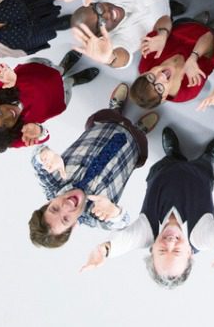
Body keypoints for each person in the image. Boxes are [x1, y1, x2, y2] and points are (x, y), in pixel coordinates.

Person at [80, 129, 214, 290]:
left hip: (163, 172)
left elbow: (125, 241)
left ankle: (174, 154)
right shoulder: (199, 236)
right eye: (177, 251)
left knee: (171, 160)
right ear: (189, 253)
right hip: (199, 176)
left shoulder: (146, 233)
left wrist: (105, 250)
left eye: (163, 250)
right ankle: (209, 157)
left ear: (152, 250)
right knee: (205, 165)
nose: (170, 243)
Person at [27, 83, 158, 249]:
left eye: (54, 209)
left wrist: (45, 155)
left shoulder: (53, 182)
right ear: (73, 226)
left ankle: (116, 109)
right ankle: (139, 129)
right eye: (66, 219)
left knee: (111, 115)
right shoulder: (95, 215)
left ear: (48, 203)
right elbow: (120, 224)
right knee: (136, 135)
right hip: (131, 148)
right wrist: (114, 213)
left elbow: (36, 161)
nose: (66, 206)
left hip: (103, 126)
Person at [0, 57, 98, 152]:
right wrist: (39, 131)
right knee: (67, 86)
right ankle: (72, 80)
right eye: (4, 125)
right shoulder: (12, 138)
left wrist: (6, 76)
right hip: (55, 99)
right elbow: (43, 137)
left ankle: (63, 67)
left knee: (56, 70)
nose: (8, 116)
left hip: (39, 71)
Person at [53, 0, 173, 70]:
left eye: (99, 9)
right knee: (170, 8)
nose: (107, 14)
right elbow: (121, 58)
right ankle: (171, 0)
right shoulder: (117, 40)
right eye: (102, 23)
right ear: (101, 35)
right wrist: (110, 59)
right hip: (164, 14)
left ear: (92, 3)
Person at [130, 17, 214, 108]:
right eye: (159, 88)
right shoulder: (187, 91)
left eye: (150, 77)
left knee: (193, 22)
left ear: (144, 73)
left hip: (183, 28)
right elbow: (210, 36)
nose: (160, 77)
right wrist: (193, 57)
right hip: (210, 45)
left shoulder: (145, 64)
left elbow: (165, 19)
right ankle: (206, 24)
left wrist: (162, 33)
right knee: (213, 29)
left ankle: (197, 21)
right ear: (164, 97)